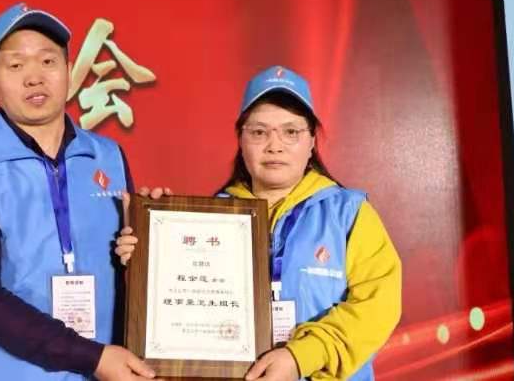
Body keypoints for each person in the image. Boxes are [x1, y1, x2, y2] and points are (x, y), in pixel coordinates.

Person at [116, 65, 401, 380]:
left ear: (311, 142)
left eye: (291, 132)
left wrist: (300, 357)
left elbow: (377, 307)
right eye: (259, 132)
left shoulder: (349, 214)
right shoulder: (211, 218)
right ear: (240, 140)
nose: (274, 145)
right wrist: (151, 248)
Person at [0, 3, 159, 381]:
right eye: (16, 65)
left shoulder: (108, 156)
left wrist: (153, 236)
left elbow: (128, 269)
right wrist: (92, 357)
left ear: (70, 71)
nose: (35, 78)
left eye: (48, 62)